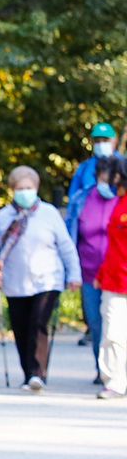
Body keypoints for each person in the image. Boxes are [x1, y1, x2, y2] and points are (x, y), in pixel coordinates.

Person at [0, 165, 80, 392]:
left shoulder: (49, 213)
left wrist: (74, 274)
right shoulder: (5, 216)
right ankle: (28, 373)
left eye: (29, 187)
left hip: (47, 279)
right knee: (20, 327)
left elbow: (66, 246)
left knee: (38, 323)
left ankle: (38, 373)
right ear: (12, 190)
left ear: (36, 188)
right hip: (15, 282)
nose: (25, 192)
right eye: (20, 188)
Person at [70, 156, 122, 384]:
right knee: (97, 323)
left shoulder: (122, 201)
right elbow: (72, 235)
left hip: (119, 274)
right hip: (90, 272)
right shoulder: (83, 199)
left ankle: (117, 372)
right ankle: (103, 369)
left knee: (117, 324)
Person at [94, 158, 127, 400]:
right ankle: (114, 380)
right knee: (113, 333)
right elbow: (113, 245)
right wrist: (102, 273)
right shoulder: (118, 204)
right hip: (114, 278)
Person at [66, 120, 117, 213]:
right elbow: (73, 197)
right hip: (89, 218)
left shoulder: (122, 165)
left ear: (114, 140)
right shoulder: (85, 167)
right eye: (97, 141)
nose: (101, 144)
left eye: (105, 140)